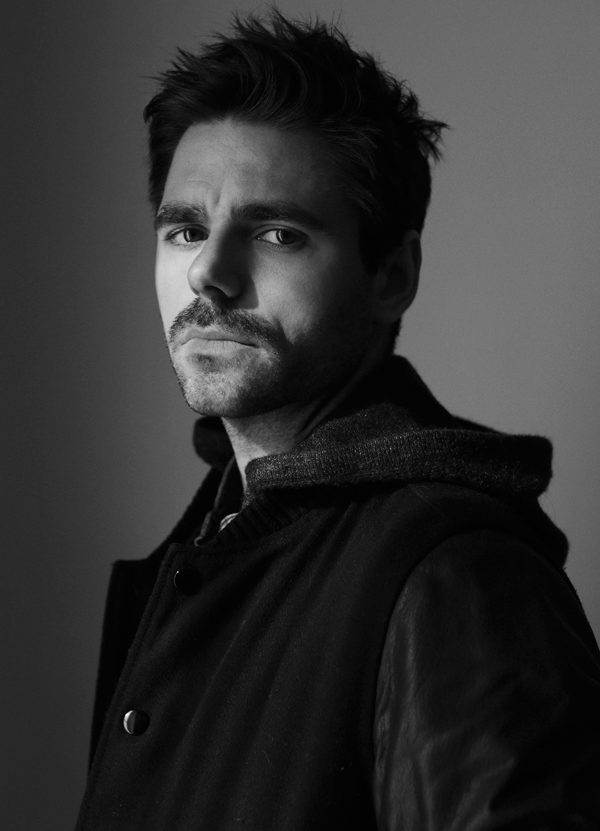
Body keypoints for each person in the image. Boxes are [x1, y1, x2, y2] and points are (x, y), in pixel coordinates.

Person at [76, 11, 600, 830]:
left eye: (277, 233)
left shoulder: (457, 577)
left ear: (392, 275)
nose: (209, 273)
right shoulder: (213, 547)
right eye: (185, 229)